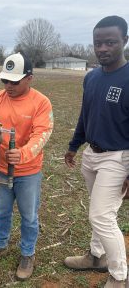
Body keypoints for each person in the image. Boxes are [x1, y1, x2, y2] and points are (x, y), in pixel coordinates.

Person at [64, 16, 129, 288]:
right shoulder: (91, 78)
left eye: (110, 42)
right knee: (99, 211)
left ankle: (119, 276)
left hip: (118, 157)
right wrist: (74, 145)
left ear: (124, 41)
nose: (103, 48)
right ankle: (96, 256)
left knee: (101, 215)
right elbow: (85, 115)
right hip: (92, 154)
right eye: (98, 43)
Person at [0, 52, 53, 281]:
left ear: (29, 78)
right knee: (0, 212)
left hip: (27, 172)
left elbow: (42, 133)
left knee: (29, 215)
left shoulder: (41, 102)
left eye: (14, 81)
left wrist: (22, 153)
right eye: (5, 80)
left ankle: (27, 253)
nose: (8, 86)